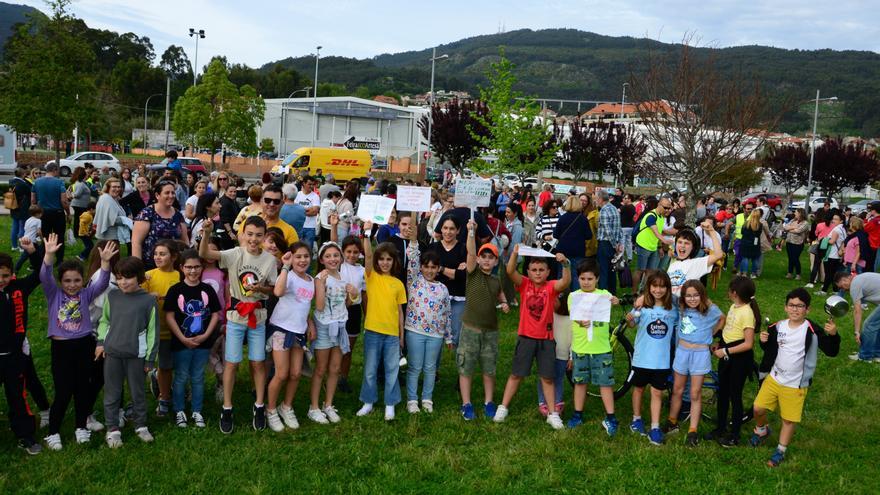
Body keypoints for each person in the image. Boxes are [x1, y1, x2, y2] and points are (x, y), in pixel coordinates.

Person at [199, 216, 278, 433]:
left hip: (258, 318)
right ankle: (227, 407)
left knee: (258, 362)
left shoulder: (270, 260)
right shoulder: (235, 254)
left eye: (259, 235)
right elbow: (205, 254)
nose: (254, 239)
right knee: (231, 364)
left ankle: (259, 405)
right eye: (250, 234)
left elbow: (272, 288)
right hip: (235, 318)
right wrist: (206, 233)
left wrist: (261, 289)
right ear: (242, 233)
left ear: (264, 236)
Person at [748, 288, 839, 467]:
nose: (795, 309)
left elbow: (831, 351)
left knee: (788, 420)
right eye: (791, 305)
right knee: (758, 408)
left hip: (795, 384)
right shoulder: (778, 326)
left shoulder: (812, 329)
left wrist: (834, 335)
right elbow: (770, 350)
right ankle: (761, 430)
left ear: (808, 309)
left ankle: (780, 450)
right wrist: (763, 341)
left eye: (800, 306)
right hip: (774, 378)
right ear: (785, 307)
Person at [40, 234, 115, 450]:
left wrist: (105, 262)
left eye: (76, 280)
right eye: (67, 280)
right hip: (61, 349)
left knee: (83, 388)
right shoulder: (53, 294)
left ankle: (81, 426)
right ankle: (53, 432)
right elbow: (45, 276)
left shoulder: (86, 294)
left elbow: (101, 282)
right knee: (63, 391)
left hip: (84, 346)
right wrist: (49, 255)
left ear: (83, 281)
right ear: (60, 281)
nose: (72, 285)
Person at [494, 244, 571, 429]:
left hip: (546, 340)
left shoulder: (551, 287)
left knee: (548, 378)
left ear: (548, 272)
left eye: (541, 270)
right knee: (516, 375)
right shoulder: (524, 284)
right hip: (526, 338)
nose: (537, 273)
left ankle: (553, 414)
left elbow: (565, 283)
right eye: (534, 270)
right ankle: (503, 407)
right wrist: (514, 253)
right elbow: (510, 270)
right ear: (528, 271)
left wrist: (566, 265)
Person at [96, 255, 158, 448]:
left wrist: (149, 359)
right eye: (119, 277)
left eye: (128, 277)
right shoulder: (112, 296)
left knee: (138, 393)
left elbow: (152, 331)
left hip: (136, 357)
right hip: (113, 354)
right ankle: (112, 429)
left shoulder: (148, 301)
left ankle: (140, 426)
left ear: (139, 277)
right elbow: (105, 320)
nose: (123, 282)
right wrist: (101, 342)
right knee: (112, 393)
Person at [164, 250, 221, 428]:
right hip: (181, 343)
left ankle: (197, 410)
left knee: (197, 377)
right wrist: (182, 338)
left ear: (202, 268)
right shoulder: (175, 290)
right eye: (188, 267)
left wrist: (205, 335)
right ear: (181, 268)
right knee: (181, 376)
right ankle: (179, 410)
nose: (193, 271)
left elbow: (215, 315)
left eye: (196, 267)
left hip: (203, 343)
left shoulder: (207, 289)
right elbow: (170, 317)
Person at [356, 223, 407, 421]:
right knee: (370, 368)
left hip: (392, 335)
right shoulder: (371, 276)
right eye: (382, 259)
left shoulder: (398, 284)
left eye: (389, 260)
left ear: (394, 262)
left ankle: (390, 404)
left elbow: (400, 312)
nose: (385, 263)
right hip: (373, 331)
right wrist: (367, 233)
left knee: (392, 369)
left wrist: (401, 336)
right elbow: (368, 256)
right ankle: (368, 401)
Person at [458, 220, 508, 420]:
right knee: (466, 366)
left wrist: (504, 304)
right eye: (483, 257)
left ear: (496, 261)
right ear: (478, 260)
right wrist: (471, 232)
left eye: (491, 258)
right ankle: (466, 403)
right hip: (470, 329)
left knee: (489, 367)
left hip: (491, 331)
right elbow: (470, 253)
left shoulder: (496, 280)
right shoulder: (473, 273)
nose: (487, 261)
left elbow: (501, 295)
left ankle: (489, 401)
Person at [665, 280, 724, 446]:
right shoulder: (681, 308)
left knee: (695, 393)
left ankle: (693, 430)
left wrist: (711, 333)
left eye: (696, 295)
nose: (692, 299)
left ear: (702, 296)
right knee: (677, 389)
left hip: (700, 354)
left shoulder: (709, 311)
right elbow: (667, 295)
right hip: (682, 352)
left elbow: (722, 318)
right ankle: (672, 421)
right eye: (688, 295)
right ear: (684, 297)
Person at [402, 214, 451, 414]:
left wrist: (448, 336)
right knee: (414, 367)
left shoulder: (443, 289)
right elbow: (413, 257)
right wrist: (414, 240)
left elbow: (447, 314)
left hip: (435, 335)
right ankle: (412, 400)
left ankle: (427, 398)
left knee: (430, 368)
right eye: (426, 267)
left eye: (433, 267)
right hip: (414, 330)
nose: (430, 270)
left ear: (438, 269)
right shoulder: (414, 281)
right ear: (421, 267)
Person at [0, 239, 44, 455]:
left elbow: (40, 274)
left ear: (12, 274)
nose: (1, 281)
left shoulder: (19, 288)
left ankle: (25, 435)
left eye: (5, 276)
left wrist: (33, 252)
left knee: (18, 397)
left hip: (14, 356)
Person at [625, 270, 678, 445]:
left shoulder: (672, 310)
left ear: (668, 289)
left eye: (662, 287)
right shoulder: (643, 307)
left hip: (661, 361)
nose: (658, 290)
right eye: (654, 286)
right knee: (638, 389)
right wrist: (630, 319)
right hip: (642, 359)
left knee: (657, 392)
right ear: (649, 287)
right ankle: (636, 419)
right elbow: (633, 324)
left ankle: (655, 428)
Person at [566, 261, 620, 432]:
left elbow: (613, 301)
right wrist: (580, 321)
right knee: (580, 383)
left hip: (601, 348)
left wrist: (615, 300)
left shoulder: (604, 294)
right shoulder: (573, 296)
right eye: (583, 278)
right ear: (578, 278)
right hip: (581, 348)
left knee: (605, 384)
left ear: (597, 279)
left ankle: (611, 417)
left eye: (590, 278)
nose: (586, 282)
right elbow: (574, 316)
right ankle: (577, 414)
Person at [266, 242, 314, 431]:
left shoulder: (311, 281)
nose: (302, 260)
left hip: (299, 333)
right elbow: (278, 292)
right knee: (282, 373)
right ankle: (270, 410)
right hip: (281, 330)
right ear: (291, 258)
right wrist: (285, 266)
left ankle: (286, 406)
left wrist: (309, 323)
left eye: (306, 256)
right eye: (298, 256)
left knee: (295, 374)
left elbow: (305, 306)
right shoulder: (289, 276)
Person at [706, 275, 760, 447]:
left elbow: (748, 343)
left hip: (739, 360)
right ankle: (720, 427)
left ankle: (734, 435)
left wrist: (726, 351)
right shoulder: (734, 307)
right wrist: (718, 344)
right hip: (726, 354)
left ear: (734, 293)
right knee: (723, 393)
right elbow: (730, 331)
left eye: (729, 290)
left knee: (734, 396)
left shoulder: (747, 313)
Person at [309, 241, 354, 424]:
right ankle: (314, 407)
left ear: (341, 258)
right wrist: (321, 285)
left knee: (335, 368)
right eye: (328, 256)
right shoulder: (320, 278)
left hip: (340, 326)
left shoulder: (344, 277)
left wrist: (353, 294)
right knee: (321, 369)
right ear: (321, 259)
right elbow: (319, 306)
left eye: (336, 255)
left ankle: (328, 404)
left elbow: (347, 303)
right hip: (324, 327)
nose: (332, 259)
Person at [142, 239, 182, 418]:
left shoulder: (180, 276)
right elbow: (137, 297)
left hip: (175, 330)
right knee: (159, 365)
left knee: (169, 365)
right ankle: (163, 398)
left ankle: (166, 394)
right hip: (153, 329)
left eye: (162, 254)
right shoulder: (148, 276)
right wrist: (149, 295)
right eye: (156, 254)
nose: (157, 257)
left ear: (173, 257)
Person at [132, 181, 189, 269]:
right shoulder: (147, 214)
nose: (171, 196)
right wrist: (138, 269)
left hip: (174, 266)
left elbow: (185, 241)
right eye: (167, 193)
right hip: (151, 267)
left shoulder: (178, 215)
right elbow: (136, 243)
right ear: (157, 195)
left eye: (173, 193)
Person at [338, 236, 366, 393]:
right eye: (348, 251)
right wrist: (334, 226)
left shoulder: (362, 271)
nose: (352, 255)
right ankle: (331, 376)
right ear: (343, 252)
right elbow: (333, 242)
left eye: (356, 252)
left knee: (348, 348)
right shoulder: (339, 266)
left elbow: (364, 294)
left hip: (354, 311)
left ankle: (343, 378)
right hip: (338, 309)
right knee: (336, 347)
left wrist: (366, 313)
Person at [834, 271, 880, 362]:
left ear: (845, 279)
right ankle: (877, 354)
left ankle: (865, 356)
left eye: (841, 286)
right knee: (876, 326)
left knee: (869, 325)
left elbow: (857, 310)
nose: (843, 289)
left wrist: (857, 331)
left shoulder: (854, 284)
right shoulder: (860, 278)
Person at [32, 163, 69, 263]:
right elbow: (64, 201)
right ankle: (60, 260)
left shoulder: (36, 182)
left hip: (43, 214)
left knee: (45, 237)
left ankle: (43, 259)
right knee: (60, 237)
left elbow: (33, 200)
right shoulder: (59, 182)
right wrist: (68, 213)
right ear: (55, 170)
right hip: (57, 213)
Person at [633, 197, 673, 291]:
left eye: (669, 208)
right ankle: (634, 294)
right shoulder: (651, 215)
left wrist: (659, 247)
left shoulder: (661, 217)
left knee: (651, 272)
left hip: (653, 247)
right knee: (640, 271)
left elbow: (658, 232)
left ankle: (645, 291)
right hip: (643, 246)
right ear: (659, 205)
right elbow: (656, 231)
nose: (667, 210)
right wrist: (664, 240)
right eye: (665, 207)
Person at [595, 189, 623, 294]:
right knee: (612, 270)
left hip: (606, 244)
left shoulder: (603, 211)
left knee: (603, 270)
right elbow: (619, 227)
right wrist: (619, 243)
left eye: (596, 198)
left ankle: (603, 293)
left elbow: (608, 230)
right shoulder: (614, 208)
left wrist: (615, 244)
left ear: (600, 199)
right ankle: (612, 292)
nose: (596, 201)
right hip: (614, 243)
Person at [94, 178, 132, 250]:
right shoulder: (107, 199)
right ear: (108, 188)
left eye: (118, 187)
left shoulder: (112, 198)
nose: (117, 189)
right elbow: (113, 220)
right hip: (109, 238)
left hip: (110, 237)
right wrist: (128, 220)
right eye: (114, 187)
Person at [817, 212, 846, 295]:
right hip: (837, 255)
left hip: (831, 254)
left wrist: (824, 239)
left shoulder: (836, 229)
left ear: (841, 221)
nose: (833, 221)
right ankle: (835, 290)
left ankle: (824, 290)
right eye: (833, 219)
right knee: (833, 274)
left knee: (828, 273)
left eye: (836, 219)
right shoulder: (843, 229)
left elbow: (832, 241)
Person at [739, 210, 770, 279]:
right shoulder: (760, 225)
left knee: (745, 258)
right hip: (755, 244)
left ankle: (744, 273)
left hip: (745, 243)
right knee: (755, 259)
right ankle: (753, 273)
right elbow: (758, 234)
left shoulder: (746, 223)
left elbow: (742, 232)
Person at [9, 167, 33, 252]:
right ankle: (21, 246)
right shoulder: (23, 184)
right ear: (23, 174)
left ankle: (14, 246)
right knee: (22, 227)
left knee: (15, 226)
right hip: (22, 207)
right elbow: (30, 192)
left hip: (14, 206)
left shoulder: (11, 181)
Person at [782, 208, 810, 280]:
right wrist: (793, 227)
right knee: (790, 258)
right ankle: (790, 273)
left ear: (800, 214)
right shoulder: (793, 220)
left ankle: (798, 274)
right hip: (789, 242)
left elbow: (798, 231)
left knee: (795, 258)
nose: (795, 214)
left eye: (796, 212)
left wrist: (790, 229)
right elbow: (785, 227)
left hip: (798, 243)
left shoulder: (805, 223)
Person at [295, 176, 321, 249]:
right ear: (304, 183)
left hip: (310, 227)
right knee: (297, 249)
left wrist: (300, 210)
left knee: (308, 249)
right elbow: (294, 210)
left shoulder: (315, 196)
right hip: (298, 226)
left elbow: (315, 212)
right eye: (309, 184)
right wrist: (309, 209)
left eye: (313, 184)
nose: (311, 186)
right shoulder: (297, 194)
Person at [15, 205, 42, 273]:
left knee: (34, 254)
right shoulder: (38, 220)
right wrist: (42, 238)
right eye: (41, 213)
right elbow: (39, 231)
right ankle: (15, 269)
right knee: (26, 256)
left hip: (25, 239)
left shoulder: (28, 220)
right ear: (37, 214)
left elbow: (27, 229)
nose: (41, 215)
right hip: (31, 242)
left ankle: (33, 266)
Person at [68, 167, 91, 240]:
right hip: (79, 205)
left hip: (81, 204)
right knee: (79, 220)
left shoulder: (81, 183)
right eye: (86, 174)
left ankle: (79, 233)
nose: (87, 175)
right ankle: (78, 234)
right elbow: (77, 194)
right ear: (83, 176)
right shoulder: (81, 184)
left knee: (78, 220)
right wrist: (71, 195)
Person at [620, 194, 636, 262]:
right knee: (628, 242)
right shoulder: (633, 207)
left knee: (622, 243)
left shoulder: (625, 207)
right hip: (631, 226)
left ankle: (622, 258)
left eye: (626, 198)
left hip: (624, 227)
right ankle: (630, 257)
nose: (624, 199)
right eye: (624, 198)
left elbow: (618, 212)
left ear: (629, 199)